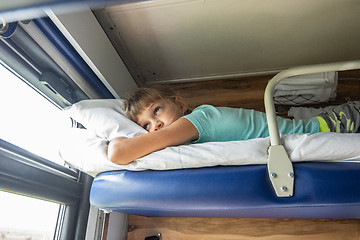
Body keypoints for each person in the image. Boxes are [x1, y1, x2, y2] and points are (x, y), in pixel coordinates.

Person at [107, 87, 360, 165]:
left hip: (330, 126)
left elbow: (119, 154)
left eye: (157, 110)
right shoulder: (197, 127)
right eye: (146, 125)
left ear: (181, 103)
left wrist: (118, 138)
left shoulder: (195, 121)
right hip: (320, 123)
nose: (156, 125)